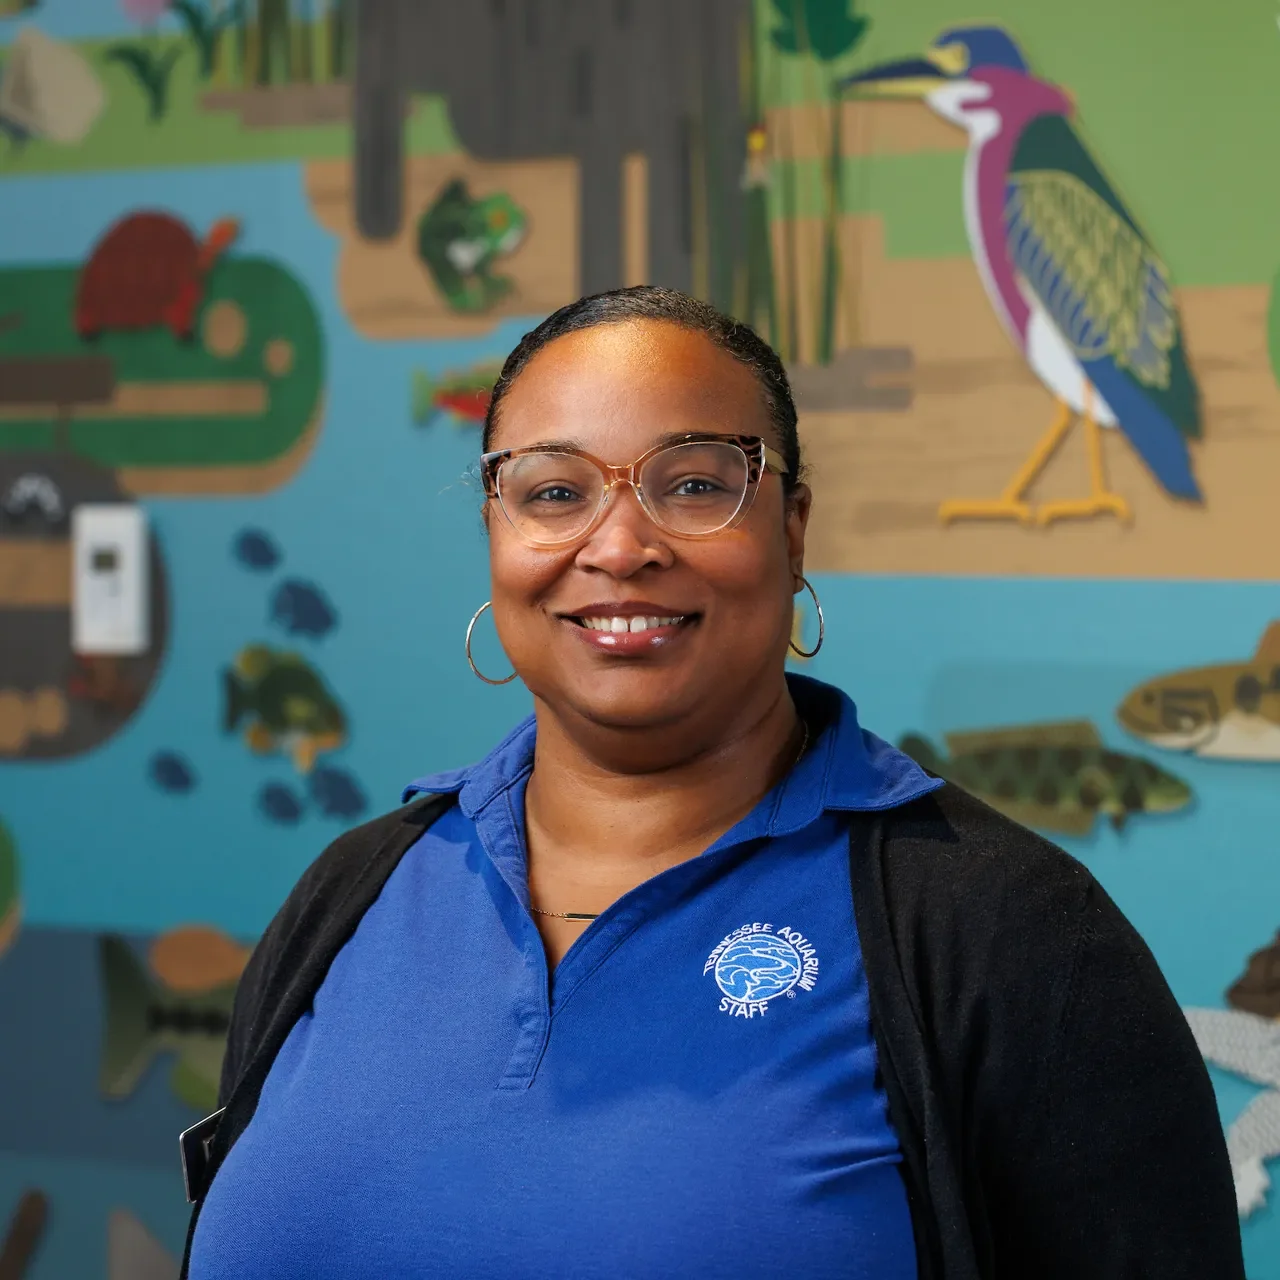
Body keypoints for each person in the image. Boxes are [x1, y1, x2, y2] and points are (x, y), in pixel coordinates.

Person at [182, 287, 1243, 1280]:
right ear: (495, 538)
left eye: (694, 483)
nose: (620, 544)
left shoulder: (1009, 934)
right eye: (553, 491)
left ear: (790, 529)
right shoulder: (358, 890)